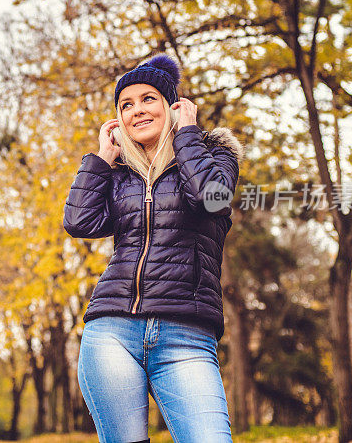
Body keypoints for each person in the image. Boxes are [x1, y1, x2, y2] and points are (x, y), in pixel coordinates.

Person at [63, 54, 243, 443]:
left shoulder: (215, 157)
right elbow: (80, 223)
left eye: (148, 99)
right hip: (112, 330)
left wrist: (188, 135)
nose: (136, 110)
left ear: (171, 106)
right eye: (126, 105)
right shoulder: (118, 175)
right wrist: (99, 160)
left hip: (187, 334)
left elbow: (211, 199)